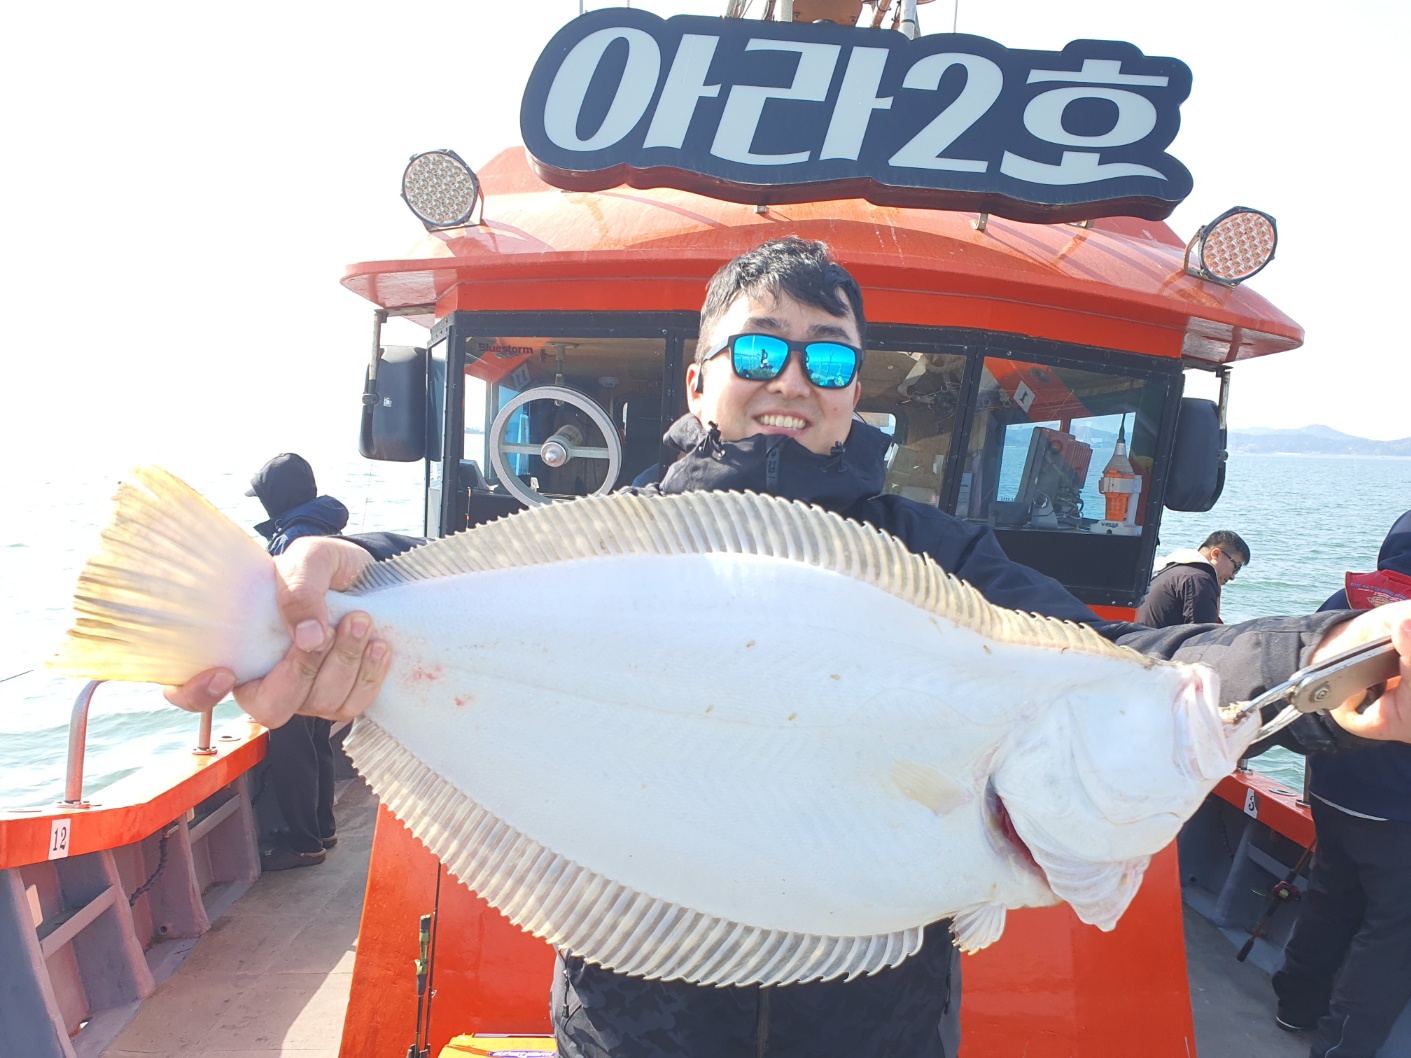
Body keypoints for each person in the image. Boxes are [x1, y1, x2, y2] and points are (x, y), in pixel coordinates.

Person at [165, 238, 1411, 1057]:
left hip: (872, 1026)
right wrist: (334, 573)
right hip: (634, 1017)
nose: (790, 379)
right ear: (698, 377)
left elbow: (1120, 658)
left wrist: (1326, 653)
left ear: (857, 388)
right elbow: (462, 564)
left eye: (827, 357)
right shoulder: (613, 536)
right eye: (757, 349)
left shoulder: (941, 557)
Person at [1271, 509, 1411, 1057]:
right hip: (1398, 811)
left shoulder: (1344, 601)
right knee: (1391, 933)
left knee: (1330, 896)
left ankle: (1294, 1005)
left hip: (1331, 789)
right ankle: (1342, 1046)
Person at [246, 452, 350, 870]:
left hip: (298, 659)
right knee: (317, 742)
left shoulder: (293, 536)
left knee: (293, 750)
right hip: (325, 654)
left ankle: (305, 844)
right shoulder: (323, 527)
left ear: (275, 497)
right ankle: (323, 828)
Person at [1137, 529, 1250, 627]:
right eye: (1236, 567)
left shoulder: (1172, 571)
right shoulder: (1199, 579)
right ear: (1215, 554)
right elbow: (1202, 637)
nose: (1233, 577)